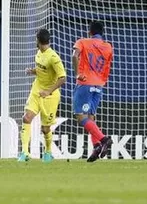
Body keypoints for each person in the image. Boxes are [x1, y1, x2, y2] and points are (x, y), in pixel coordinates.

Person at [18, 29, 67, 163]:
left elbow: (62, 78)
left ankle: (48, 152)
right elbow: (42, 70)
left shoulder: (54, 58)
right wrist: (33, 71)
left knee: (45, 129)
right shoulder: (39, 53)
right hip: (36, 90)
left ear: (38, 41)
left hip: (50, 96)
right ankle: (24, 152)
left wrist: (48, 91)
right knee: (27, 118)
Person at [72, 21, 114, 162]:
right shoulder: (108, 47)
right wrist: (101, 81)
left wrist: (78, 73)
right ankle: (96, 146)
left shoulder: (83, 42)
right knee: (91, 117)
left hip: (85, 83)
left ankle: (103, 139)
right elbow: (107, 66)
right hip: (99, 85)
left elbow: (74, 55)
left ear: (89, 31)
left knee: (81, 117)